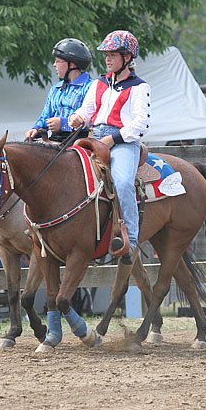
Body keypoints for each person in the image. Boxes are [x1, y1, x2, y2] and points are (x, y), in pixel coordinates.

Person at [69, 30, 149, 264]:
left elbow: (140, 124)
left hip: (123, 142)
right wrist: (77, 117)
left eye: (113, 54)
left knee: (123, 182)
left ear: (127, 57)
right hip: (95, 138)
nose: (108, 59)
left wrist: (113, 139)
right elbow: (88, 110)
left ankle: (132, 241)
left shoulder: (139, 87)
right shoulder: (98, 83)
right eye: (106, 55)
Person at [24, 38, 95, 142]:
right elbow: (46, 116)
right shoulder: (56, 88)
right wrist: (36, 129)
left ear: (72, 64)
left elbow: (91, 122)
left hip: (80, 141)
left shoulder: (91, 87)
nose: (54, 65)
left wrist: (63, 124)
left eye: (58, 61)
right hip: (56, 140)